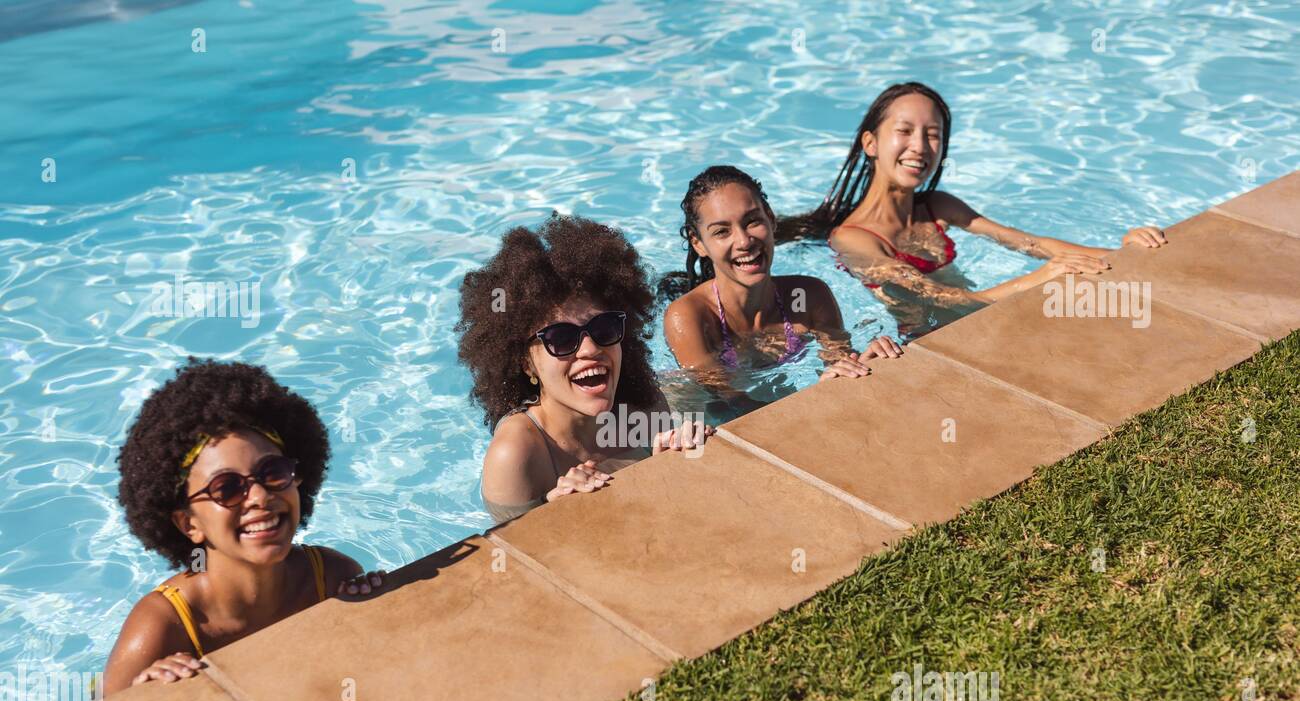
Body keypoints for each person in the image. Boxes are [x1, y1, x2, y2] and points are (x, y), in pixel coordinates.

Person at [777, 81, 1167, 337]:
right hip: (933, 347)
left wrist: (1125, 250)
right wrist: (1038, 280)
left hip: (985, 322)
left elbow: (1030, 243)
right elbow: (933, 298)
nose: (920, 147)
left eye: (933, 135)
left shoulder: (938, 207)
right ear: (871, 143)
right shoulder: (853, 238)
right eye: (905, 131)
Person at [103, 359, 383, 694]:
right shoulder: (162, 627)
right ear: (189, 523)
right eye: (227, 488)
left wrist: (377, 612)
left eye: (273, 472)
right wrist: (141, 690)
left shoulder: (332, 577)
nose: (260, 497)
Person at [458, 213, 710, 525]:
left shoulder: (642, 406)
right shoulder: (517, 454)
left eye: (604, 328)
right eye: (561, 339)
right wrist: (556, 512)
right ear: (524, 362)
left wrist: (672, 462)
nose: (590, 349)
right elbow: (516, 564)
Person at [662, 165, 901, 393]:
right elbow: (727, 404)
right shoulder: (690, 317)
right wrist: (815, 397)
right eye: (722, 231)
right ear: (698, 243)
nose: (744, 242)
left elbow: (840, 361)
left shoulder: (806, 297)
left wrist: (861, 367)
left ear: (771, 218)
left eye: (753, 221)